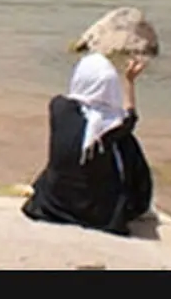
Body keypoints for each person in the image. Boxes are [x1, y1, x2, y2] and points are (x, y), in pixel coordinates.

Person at [21, 53, 153, 236]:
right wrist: (129, 81)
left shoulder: (58, 107)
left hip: (53, 203)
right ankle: (139, 202)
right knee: (127, 144)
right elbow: (131, 115)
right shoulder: (112, 126)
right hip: (96, 213)